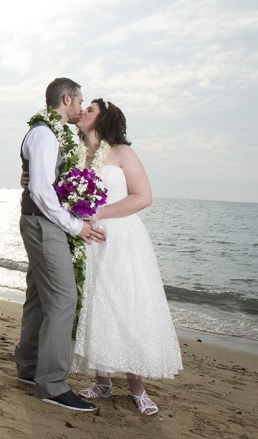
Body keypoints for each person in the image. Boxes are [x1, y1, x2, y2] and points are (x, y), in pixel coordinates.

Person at [70, 98, 182, 415]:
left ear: (104, 119)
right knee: (94, 301)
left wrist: (99, 212)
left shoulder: (121, 153)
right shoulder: (78, 155)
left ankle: (137, 388)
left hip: (122, 238)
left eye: (90, 109)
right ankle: (102, 381)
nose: (83, 112)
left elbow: (143, 197)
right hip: (87, 237)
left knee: (126, 304)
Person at [15, 77, 105, 413]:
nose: (82, 108)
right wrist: (75, 225)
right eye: (80, 101)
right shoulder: (44, 133)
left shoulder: (47, 133)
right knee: (64, 298)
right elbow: (40, 190)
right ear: (67, 99)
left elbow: (38, 181)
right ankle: (53, 384)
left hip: (39, 220)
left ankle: (28, 369)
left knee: (39, 295)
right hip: (43, 223)